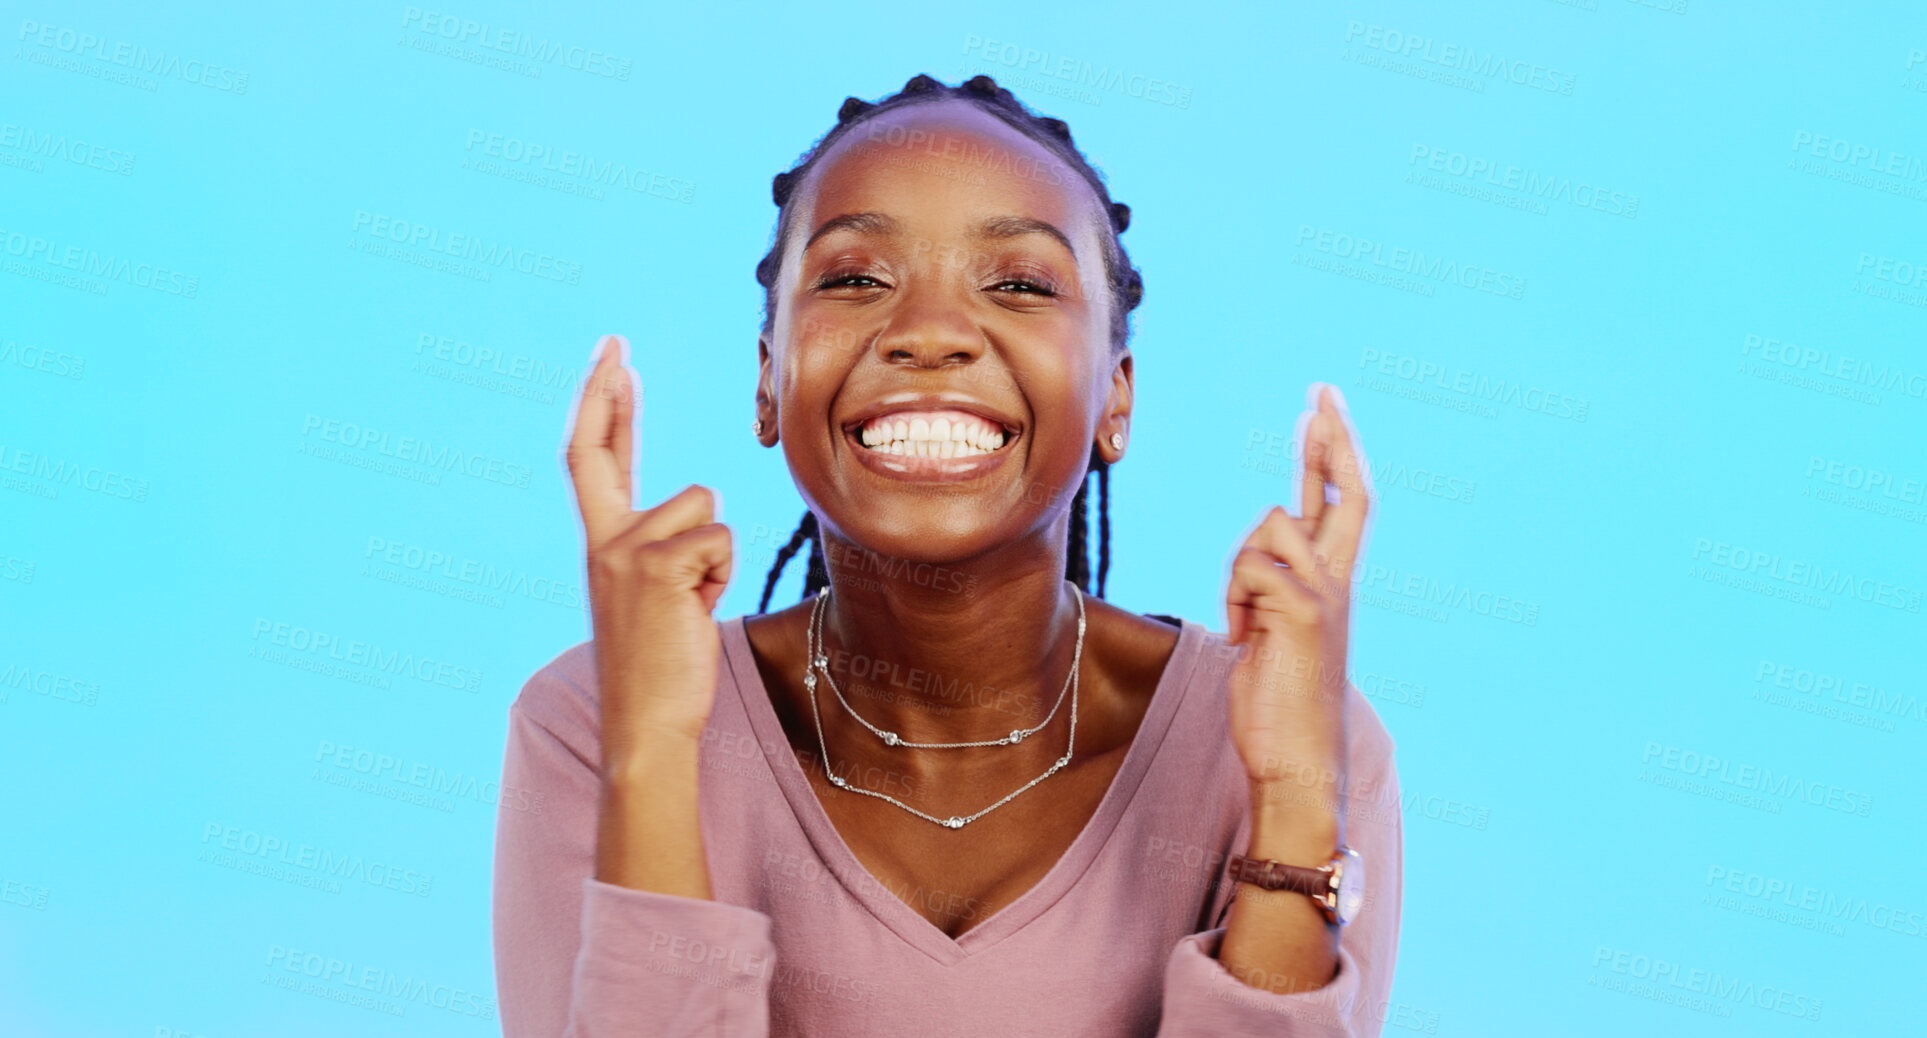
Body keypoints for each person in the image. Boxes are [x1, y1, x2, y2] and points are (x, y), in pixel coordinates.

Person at [492, 72, 1400, 1037]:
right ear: (768, 379)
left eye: (1018, 284)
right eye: (853, 278)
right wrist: (654, 757)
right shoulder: (592, 720)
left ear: (1114, 398)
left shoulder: (1291, 732)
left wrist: (1296, 802)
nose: (928, 334)